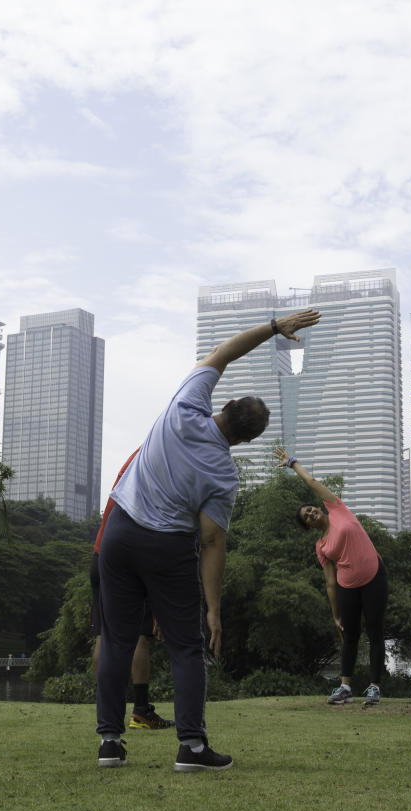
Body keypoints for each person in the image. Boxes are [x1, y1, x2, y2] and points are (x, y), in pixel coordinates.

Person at [96, 308, 321, 772]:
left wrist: (276, 328)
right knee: (186, 645)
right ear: (246, 441)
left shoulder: (184, 405)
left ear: (223, 404)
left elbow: (224, 352)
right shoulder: (223, 473)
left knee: (117, 641)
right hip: (167, 548)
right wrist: (213, 610)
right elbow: (212, 541)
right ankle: (192, 747)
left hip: (119, 532)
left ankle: (111, 743)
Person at [276, 444, 388, 707]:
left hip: (374, 577)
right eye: (307, 517)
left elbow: (312, 482)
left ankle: (374, 687)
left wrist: (293, 463)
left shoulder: (337, 508)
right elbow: (329, 582)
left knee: (375, 631)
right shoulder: (321, 547)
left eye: (311, 509)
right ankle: (345, 687)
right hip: (347, 587)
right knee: (349, 635)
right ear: (308, 526)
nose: (312, 513)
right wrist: (335, 614)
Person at [90, 449, 172, 731]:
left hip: (100, 553)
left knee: (104, 635)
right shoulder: (162, 469)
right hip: (129, 559)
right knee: (139, 636)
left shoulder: (134, 463)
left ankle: (105, 705)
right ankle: (140, 710)